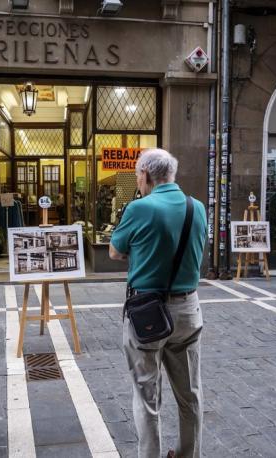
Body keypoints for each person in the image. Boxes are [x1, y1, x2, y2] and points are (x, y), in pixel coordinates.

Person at [109, 148, 207, 458]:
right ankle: (188, 454)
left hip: (147, 313)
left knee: (146, 395)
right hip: (188, 309)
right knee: (190, 393)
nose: (138, 180)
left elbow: (114, 252)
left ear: (146, 175)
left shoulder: (140, 208)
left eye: (138, 175)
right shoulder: (198, 208)